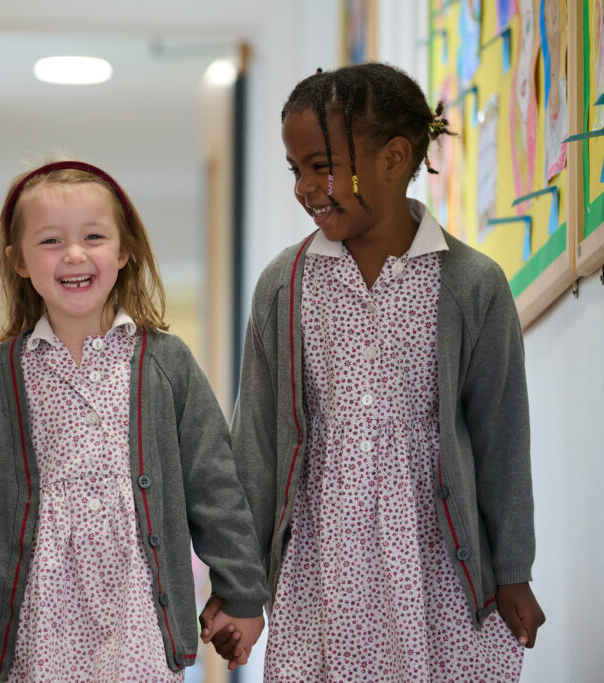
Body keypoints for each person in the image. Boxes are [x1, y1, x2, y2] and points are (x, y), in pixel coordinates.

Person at [203, 62, 546, 680]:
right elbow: (254, 442)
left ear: (393, 158)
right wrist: (241, 585)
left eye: (321, 165)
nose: (306, 188)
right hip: (323, 560)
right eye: (296, 169)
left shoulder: (471, 283)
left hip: (438, 560)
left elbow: (501, 437)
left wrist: (514, 569)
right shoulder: (285, 284)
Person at [0, 160, 266, 681]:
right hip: (35, 624)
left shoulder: (166, 364)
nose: (74, 254)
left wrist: (240, 588)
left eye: (93, 236)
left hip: (137, 620)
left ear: (124, 249)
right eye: (51, 241)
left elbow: (214, 484)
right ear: (19, 261)